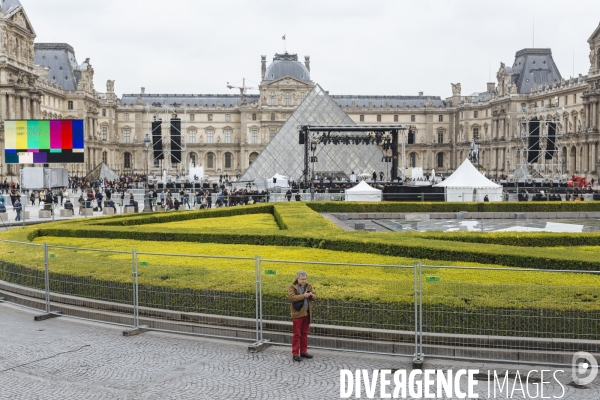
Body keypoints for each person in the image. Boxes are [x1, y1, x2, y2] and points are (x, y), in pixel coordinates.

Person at [288, 270, 316, 362]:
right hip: (297, 314)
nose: (303, 281)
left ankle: (303, 352)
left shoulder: (309, 286)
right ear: (298, 278)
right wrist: (304, 296)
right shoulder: (292, 287)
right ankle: (295, 354)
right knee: (296, 335)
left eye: (305, 279)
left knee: (304, 334)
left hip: (307, 313)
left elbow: (315, 297)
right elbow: (292, 298)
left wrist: (311, 295)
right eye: (302, 279)